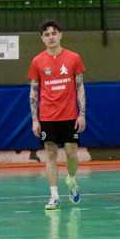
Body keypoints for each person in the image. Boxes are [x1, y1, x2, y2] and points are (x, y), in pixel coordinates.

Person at [28, 20, 86, 211]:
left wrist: (82, 114)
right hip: (47, 117)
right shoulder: (37, 61)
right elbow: (33, 91)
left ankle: (71, 179)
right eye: (47, 34)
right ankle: (54, 196)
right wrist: (35, 119)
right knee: (51, 154)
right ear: (42, 39)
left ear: (60, 35)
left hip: (69, 116)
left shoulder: (74, 58)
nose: (51, 37)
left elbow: (80, 87)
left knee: (71, 153)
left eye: (54, 33)